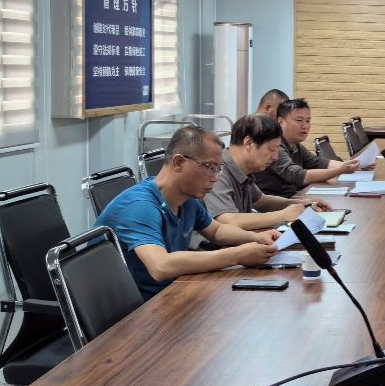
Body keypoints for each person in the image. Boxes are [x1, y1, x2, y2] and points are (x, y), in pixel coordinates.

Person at [95, 125, 280, 300]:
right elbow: (161, 266)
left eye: (219, 169)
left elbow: (216, 231)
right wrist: (236, 256)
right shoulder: (140, 206)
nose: (216, 178)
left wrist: (256, 238)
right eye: (210, 167)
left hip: (172, 292)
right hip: (139, 310)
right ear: (179, 162)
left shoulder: (187, 198)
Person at [202, 114, 334, 236]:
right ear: (248, 143)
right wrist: (283, 215)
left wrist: (302, 205)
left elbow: (261, 201)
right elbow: (228, 220)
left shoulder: (243, 169)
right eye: (271, 149)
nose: (275, 157)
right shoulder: (218, 170)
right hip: (215, 250)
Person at [255, 98, 361, 197]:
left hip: (295, 197)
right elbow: (299, 176)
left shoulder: (296, 145)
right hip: (279, 202)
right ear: (281, 122)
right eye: (299, 120)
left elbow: (317, 162)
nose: (305, 126)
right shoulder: (276, 147)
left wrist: (349, 165)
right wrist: (340, 170)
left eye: (308, 121)